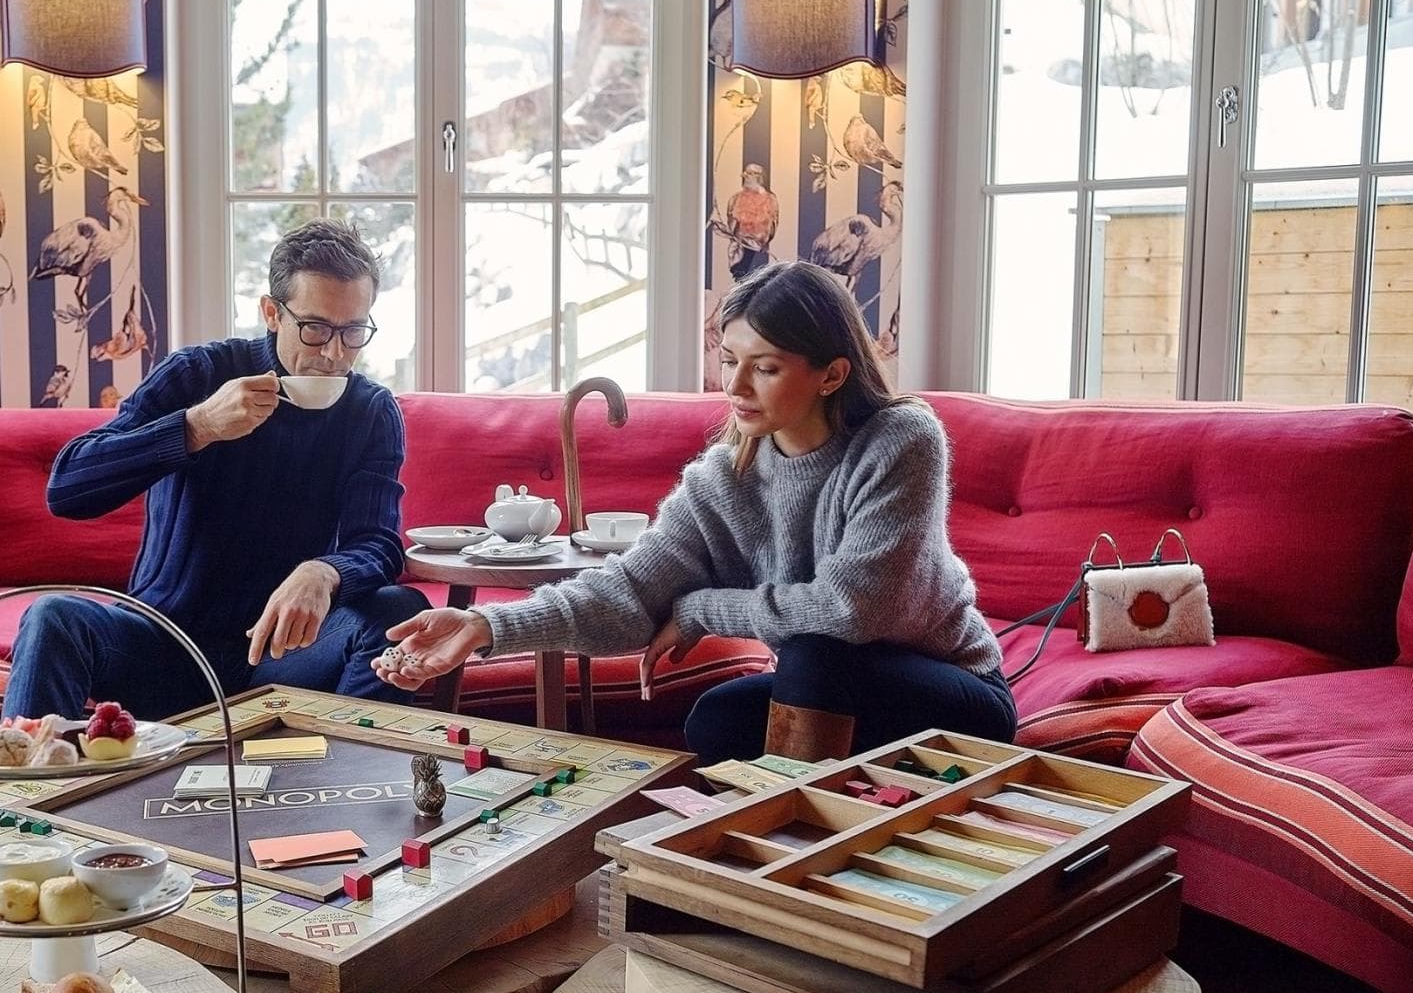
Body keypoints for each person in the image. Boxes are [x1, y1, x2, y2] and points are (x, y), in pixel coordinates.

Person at [372, 260, 1015, 763]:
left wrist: (701, 609)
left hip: (956, 691)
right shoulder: (722, 478)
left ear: (831, 373)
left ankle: (791, 855)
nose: (733, 387)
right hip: (830, 690)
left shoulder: (902, 439)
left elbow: (852, 609)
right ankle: (798, 839)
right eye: (729, 361)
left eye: (763, 368)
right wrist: (484, 628)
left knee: (816, 653)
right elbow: (627, 591)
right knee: (717, 717)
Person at [4, 219, 427, 722]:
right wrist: (196, 426)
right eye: (315, 329)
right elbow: (68, 489)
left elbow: (379, 544)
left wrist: (325, 571)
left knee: (399, 610)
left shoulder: (370, 410)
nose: (335, 354)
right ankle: (24, 797)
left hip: (283, 657)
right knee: (53, 617)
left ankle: (340, 779)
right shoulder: (198, 374)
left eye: (354, 331)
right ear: (272, 313)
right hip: (166, 649)